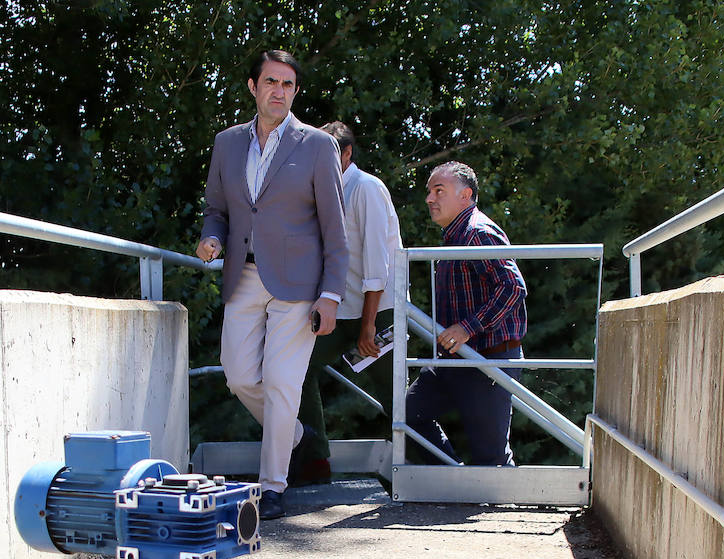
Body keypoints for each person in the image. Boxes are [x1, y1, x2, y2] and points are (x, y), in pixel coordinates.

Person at [196, 50, 349, 519]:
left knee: (283, 384)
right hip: (242, 274)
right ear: (252, 86)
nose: (279, 91)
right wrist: (211, 237)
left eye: (288, 84)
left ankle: (273, 486)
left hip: (300, 285)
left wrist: (330, 293)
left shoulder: (317, 146)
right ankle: (296, 436)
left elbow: (334, 228)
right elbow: (216, 209)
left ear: (295, 92)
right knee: (239, 374)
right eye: (270, 82)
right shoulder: (227, 144)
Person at [291, 121, 402, 486]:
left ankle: (420, 470)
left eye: (330, 152)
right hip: (340, 310)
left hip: (377, 310)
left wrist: (369, 326)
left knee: (395, 397)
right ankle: (314, 460)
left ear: (348, 153)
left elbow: (377, 266)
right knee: (295, 369)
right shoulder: (321, 193)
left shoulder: (366, 188)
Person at [405, 161, 527, 466]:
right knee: (406, 416)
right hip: (455, 360)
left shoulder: (476, 232)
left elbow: (513, 287)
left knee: (492, 460)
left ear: (466, 195)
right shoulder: (455, 235)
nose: (429, 199)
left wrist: (467, 328)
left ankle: (500, 507)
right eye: (429, 192)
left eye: (439, 190)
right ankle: (455, 479)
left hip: (487, 360)